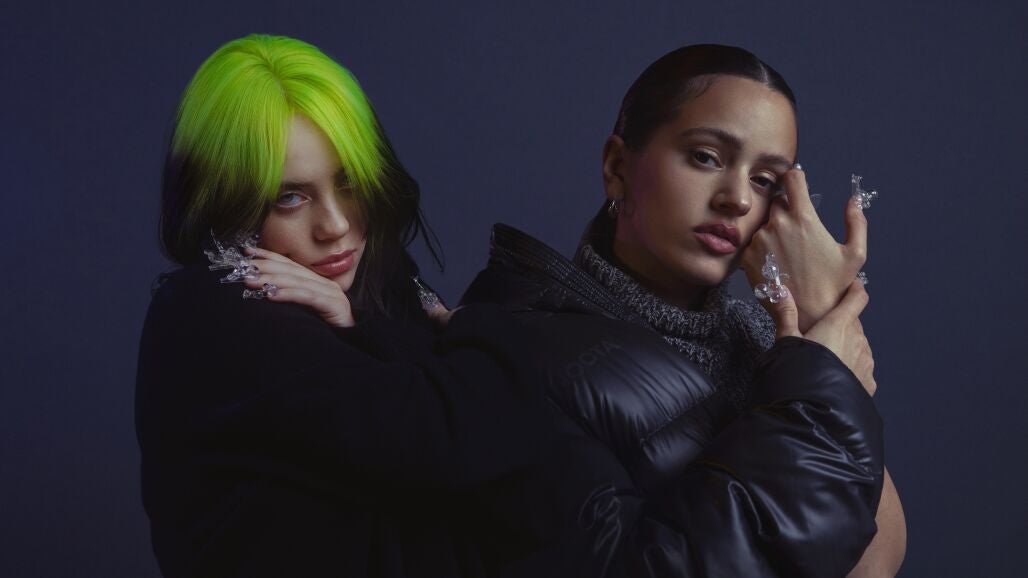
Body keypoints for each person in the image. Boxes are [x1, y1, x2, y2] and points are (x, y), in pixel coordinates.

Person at [135, 33, 605, 577]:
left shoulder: (375, 285)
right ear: (225, 201)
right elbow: (469, 438)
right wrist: (467, 326)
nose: (335, 226)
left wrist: (356, 324)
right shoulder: (222, 306)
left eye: (350, 181)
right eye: (290, 197)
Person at [462, 44, 906, 577]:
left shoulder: (764, 340)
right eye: (705, 157)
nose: (737, 199)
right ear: (617, 167)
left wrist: (819, 321)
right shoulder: (520, 348)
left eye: (765, 180)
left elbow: (873, 565)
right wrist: (822, 387)